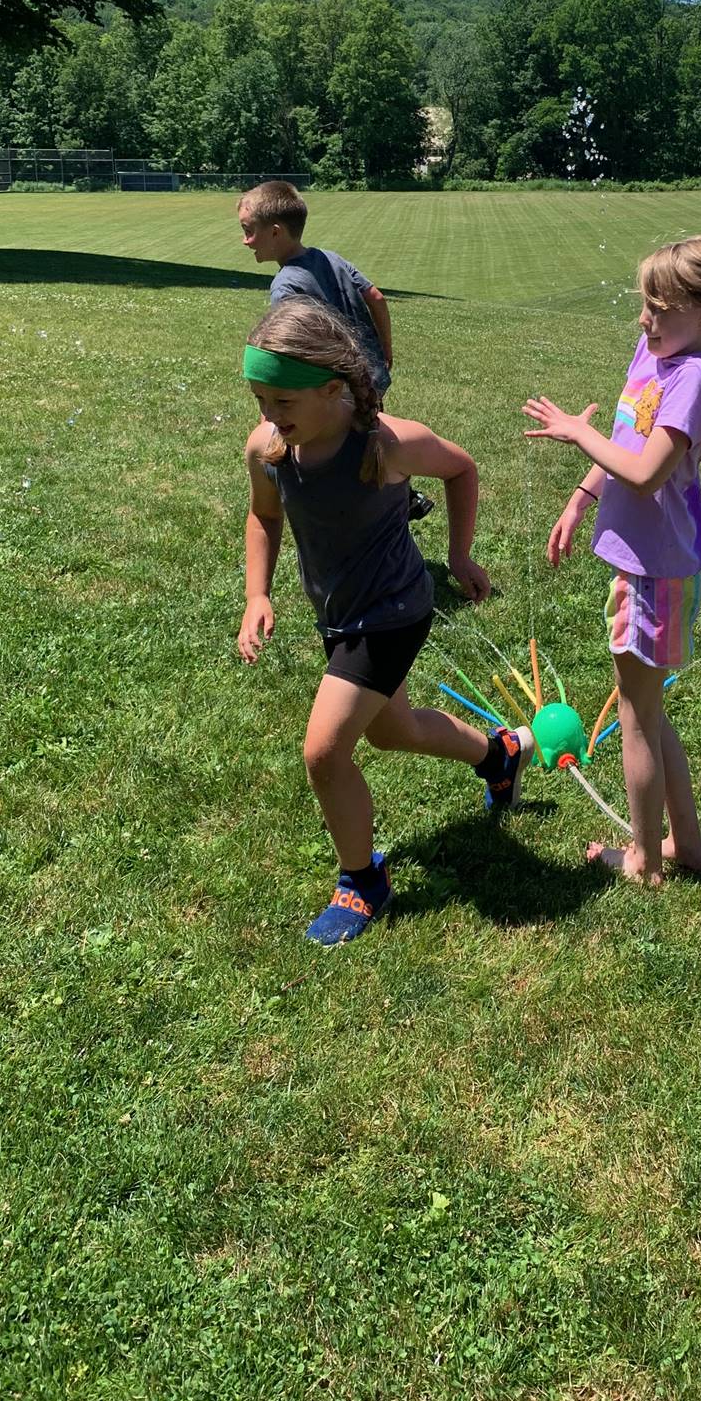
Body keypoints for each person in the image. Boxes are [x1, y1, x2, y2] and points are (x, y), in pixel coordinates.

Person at [237, 299, 529, 945]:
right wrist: (258, 594)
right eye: (261, 400)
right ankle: (498, 754)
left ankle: (362, 881)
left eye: (282, 402)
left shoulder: (386, 443)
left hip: (395, 612)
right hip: (339, 617)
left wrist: (458, 556)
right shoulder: (271, 448)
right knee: (392, 732)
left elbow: (461, 468)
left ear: (334, 390)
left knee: (324, 751)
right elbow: (265, 517)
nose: (268, 417)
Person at [522, 235, 701, 886]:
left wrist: (578, 432)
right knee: (647, 711)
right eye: (644, 304)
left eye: (659, 306)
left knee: (635, 718)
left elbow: (647, 472)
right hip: (645, 566)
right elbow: (626, 442)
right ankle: (688, 846)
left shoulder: (692, 379)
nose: (644, 318)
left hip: (659, 573)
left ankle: (645, 862)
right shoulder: (658, 354)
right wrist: (578, 501)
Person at [238, 180, 432, 519]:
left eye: (249, 231)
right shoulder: (331, 258)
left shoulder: (286, 284)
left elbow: (286, 352)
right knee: (372, 438)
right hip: (368, 375)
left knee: (337, 455)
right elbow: (376, 297)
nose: (245, 241)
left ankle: (363, 512)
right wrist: (384, 350)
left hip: (332, 387)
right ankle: (401, 495)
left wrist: (270, 412)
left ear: (276, 232)